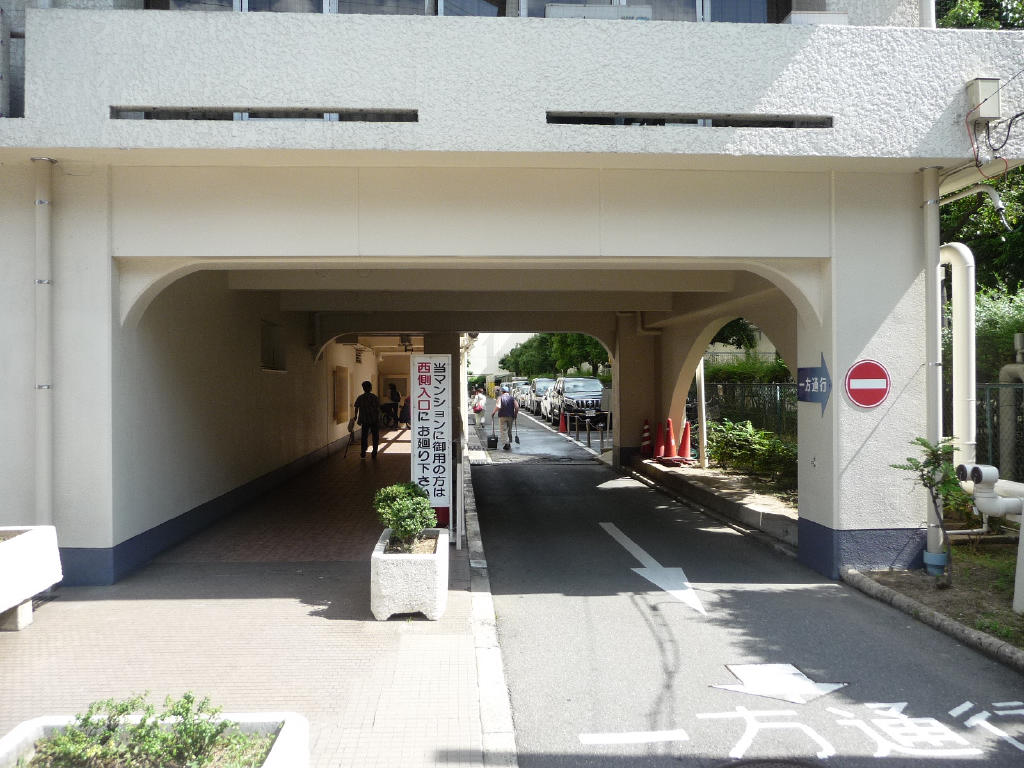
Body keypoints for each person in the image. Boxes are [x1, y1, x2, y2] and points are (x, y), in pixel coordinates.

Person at [353, 380, 381, 459]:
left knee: (364, 436)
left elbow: (356, 407)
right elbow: (378, 408)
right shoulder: (374, 397)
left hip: (364, 420)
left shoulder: (360, 397)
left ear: (363, 388)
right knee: (375, 436)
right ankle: (374, 451)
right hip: (374, 419)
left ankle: (363, 452)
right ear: (370, 388)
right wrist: (378, 417)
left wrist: (355, 416)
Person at [491, 384, 518, 450]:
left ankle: (507, 443)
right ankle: (509, 442)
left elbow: (498, 406)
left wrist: (493, 412)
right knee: (509, 430)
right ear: (508, 391)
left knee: (503, 430)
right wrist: (515, 414)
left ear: (502, 392)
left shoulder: (500, 398)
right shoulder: (512, 398)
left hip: (502, 416)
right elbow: (517, 406)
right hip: (511, 416)